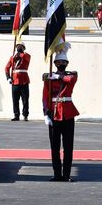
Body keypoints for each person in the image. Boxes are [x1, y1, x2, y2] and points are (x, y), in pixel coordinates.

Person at [42, 43, 79, 182]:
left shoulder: (72, 75)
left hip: (68, 114)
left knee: (68, 146)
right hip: (54, 114)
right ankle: (57, 174)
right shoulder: (48, 77)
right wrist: (46, 113)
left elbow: (70, 80)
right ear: (55, 63)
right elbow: (45, 96)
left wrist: (57, 77)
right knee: (55, 147)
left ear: (67, 63)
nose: (61, 64)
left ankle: (67, 174)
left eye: (63, 62)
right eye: (58, 62)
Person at [5, 41, 31, 121]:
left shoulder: (27, 55)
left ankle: (25, 115)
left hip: (24, 81)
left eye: (20, 46)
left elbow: (23, 57)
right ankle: (16, 115)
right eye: (18, 46)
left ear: (24, 48)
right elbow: (6, 68)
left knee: (25, 99)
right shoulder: (12, 57)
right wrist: (8, 77)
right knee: (15, 100)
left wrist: (16, 55)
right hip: (15, 81)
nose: (19, 48)